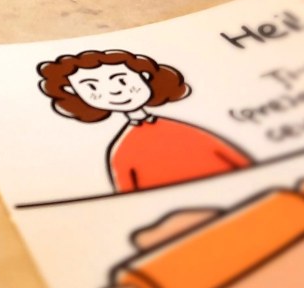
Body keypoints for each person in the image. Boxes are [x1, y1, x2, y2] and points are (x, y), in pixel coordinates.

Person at [36, 49, 253, 193]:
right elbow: (129, 195)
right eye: (91, 86)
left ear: (145, 76)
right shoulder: (123, 151)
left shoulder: (185, 132)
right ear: (73, 93)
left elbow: (235, 160)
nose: (114, 91)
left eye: (121, 80)